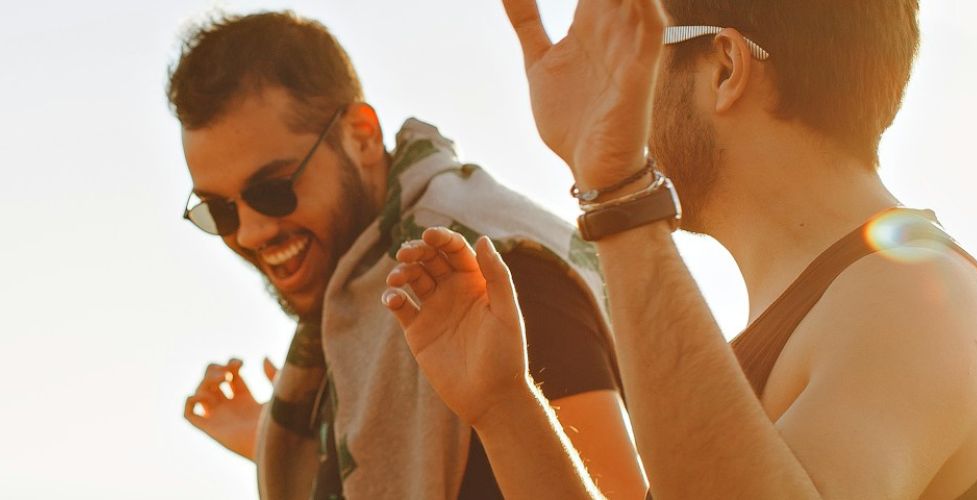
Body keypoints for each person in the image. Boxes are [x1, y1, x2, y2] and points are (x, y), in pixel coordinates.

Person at [388, 0, 977, 498]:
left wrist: (616, 190)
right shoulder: (822, 319)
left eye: (638, 60)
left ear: (724, 68)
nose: (618, 92)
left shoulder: (915, 297)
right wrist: (505, 408)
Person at [169, 11, 646, 499]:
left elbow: (612, 492)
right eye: (219, 211)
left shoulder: (492, 276)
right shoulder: (354, 317)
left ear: (361, 135)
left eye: (273, 190)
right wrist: (285, 440)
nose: (249, 232)